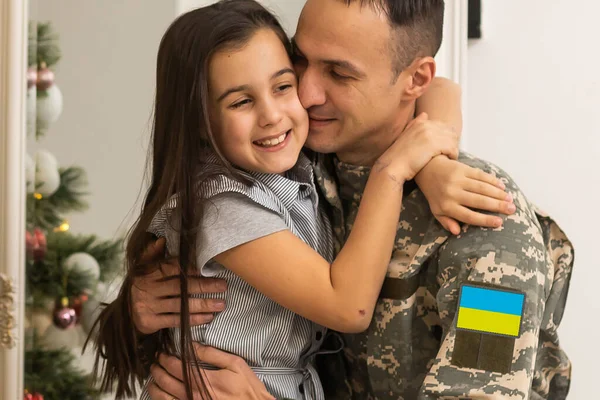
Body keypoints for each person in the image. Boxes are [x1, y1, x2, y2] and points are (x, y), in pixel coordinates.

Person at [89, 0, 545, 399]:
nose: (305, 94)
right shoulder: (290, 161)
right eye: (300, 61)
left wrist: (430, 161)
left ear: (414, 79)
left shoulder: (490, 231)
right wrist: (135, 310)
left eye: (339, 73)